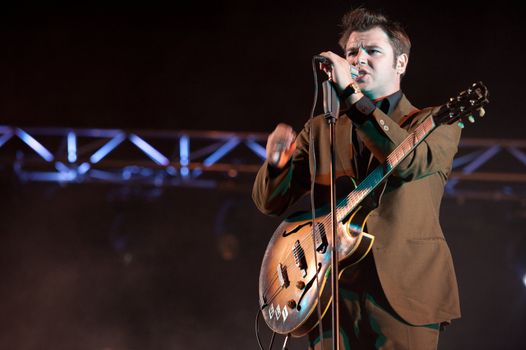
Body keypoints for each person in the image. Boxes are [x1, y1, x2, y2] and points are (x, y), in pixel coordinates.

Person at [252, 7, 461, 350]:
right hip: (328, 292)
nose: (358, 59)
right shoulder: (320, 129)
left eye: (372, 51)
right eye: (352, 53)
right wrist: (275, 166)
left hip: (405, 295)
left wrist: (353, 97)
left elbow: (407, 163)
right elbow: (269, 202)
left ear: (401, 63)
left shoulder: (434, 123)